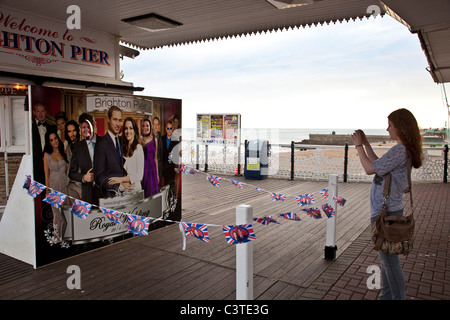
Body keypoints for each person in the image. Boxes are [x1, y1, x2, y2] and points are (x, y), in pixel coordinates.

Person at [352, 108, 423, 300]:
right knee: (386, 260)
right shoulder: (403, 150)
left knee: (389, 261)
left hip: (386, 212)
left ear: (401, 127)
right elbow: (377, 165)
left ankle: (397, 297)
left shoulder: (400, 150)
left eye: (390, 125)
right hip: (389, 209)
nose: (387, 129)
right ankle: (386, 297)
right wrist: (366, 143)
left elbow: (368, 169)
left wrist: (358, 146)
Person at [69, 113, 101, 205]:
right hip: (88, 194)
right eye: (83, 127)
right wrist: (83, 177)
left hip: (105, 192)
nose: (86, 130)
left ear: (93, 125)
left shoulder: (103, 142)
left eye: (88, 126)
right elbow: (71, 173)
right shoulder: (78, 147)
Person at [43, 131, 69, 242]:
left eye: (55, 138)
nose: (54, 141)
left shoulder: (63, 152)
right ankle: (58, 237)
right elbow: (46, 174)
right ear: (48, 142)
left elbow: (68, 168)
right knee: (56, 213)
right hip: (53, 186)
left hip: (64, 185)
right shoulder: (46, 155)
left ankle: (66, 236)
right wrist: (47, 190)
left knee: (65, 212)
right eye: (51, 140)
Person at [94, 106, 124, 198]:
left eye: (120, 120)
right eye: (115, 119)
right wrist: (117, 186)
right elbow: (99, 176)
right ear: (108, 120)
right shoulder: (101, 144)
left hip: (125, 195)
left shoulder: (123, 141)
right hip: (109, 196)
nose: (118, 123)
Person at [108, 117, 144, 192]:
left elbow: (140, 176)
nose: (128, 131)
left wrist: (120, 180)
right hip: (123, 188)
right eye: (126, 128)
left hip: (134, 187)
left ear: (135, 131)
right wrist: (122, 182)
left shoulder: (139, 148)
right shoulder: (121, 148)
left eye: (131, 128)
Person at [31, 101, 57, 185]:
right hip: (34, 166)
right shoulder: (30, 128)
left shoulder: (52, 128)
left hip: (49, 166)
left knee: (48, 191)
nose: (40, 114)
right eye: (38, 111)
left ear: (46, 112)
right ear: (34, 112)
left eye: (42, 111)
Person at [141, 117, 160, 197]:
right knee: (146, 193)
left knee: (154, 193)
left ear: (150, 127)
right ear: (142, 128)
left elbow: (155, 158)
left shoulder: (155, 140)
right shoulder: (140, 139)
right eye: (144, 126)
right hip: (144, 169)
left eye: (147, 126)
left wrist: (157, 174)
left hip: (153, 170)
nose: (146, 128)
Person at [64, 120, 81, 201]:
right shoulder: (68, 146)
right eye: (69, 131)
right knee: (75, 209)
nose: (72, 134)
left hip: (81, 183)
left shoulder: (83, 144)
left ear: (77, 131)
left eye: (74, 130)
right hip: (70, 183)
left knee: (86, 209)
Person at [160, 120, 179, 187]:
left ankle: (171, 196)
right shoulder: (161, 139)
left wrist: (176, 166)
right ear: (165, 129)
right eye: (168, 128)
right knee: (164, 186)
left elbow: (176, 155)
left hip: (171, 166)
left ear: (172, 129)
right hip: (163, 166)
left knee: (171, 185)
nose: (169, 130)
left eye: (170, 128)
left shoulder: (176, 140)